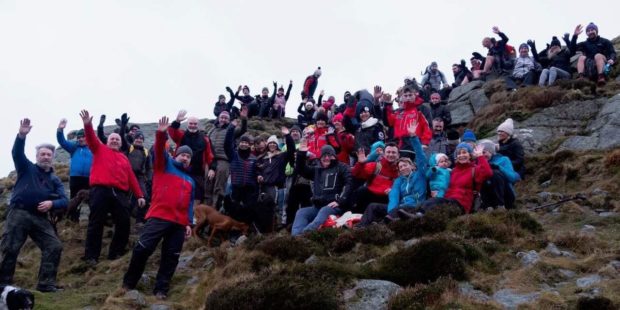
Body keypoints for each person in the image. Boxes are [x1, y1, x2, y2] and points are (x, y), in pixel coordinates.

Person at [122, 116, 194, 300]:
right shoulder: (165, 166)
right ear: (176, 155)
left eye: (188, 156)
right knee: (142, 249)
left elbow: (190, 204)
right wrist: (161, 133)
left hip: (178, 223)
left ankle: (161, 290)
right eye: (182, 154)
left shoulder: (191, 181)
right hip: (159, 217)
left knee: (171, 257)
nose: (185, 158)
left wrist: (189, 224)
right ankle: (128, 283)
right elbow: (159, 151)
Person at [0, 118, 68, 293]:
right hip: (19, 213)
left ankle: (46, 285)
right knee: (10, 247)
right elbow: (17, 153)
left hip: (40, 218)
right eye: (42, 154)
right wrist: (21, 135)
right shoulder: (26, 168)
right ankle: (2, 285)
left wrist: (52, 203)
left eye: (48, 155)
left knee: (54, 246)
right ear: (37, 156)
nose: (45, 157)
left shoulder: (54, 179)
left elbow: (64, 200)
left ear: (52, 157)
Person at [80, 110, 145, 265]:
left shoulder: (124, 158)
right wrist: (88, 124)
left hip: (119, 193)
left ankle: (115, 253)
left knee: (124, 221)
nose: (115, 141)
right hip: (100, 190)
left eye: (117, 139)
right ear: (107, 141)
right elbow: (90, 138)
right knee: (96, 222)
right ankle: (91, 256)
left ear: (121, 142)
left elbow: (131, 178)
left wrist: (140, 195)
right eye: (112, 139)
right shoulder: (99, 149)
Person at [357, 123, 427, 226]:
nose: (403, 168)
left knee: (396, 212)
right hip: (399, 208)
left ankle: (380, 226)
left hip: (415, 207)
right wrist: (391, 213)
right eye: (401, 167)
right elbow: (394, 197)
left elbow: (421, 157)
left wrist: (413, 137)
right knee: (373, 206)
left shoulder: (420, 174)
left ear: (412, 166)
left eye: (406, 165)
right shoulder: (399, 181)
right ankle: (359, 227)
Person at [291, 145, 352, 236]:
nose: (327, 158)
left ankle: (304, 235)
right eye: (324, 155)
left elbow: (349, 184)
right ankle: (295, 237)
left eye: (329, 155)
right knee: (301, 212)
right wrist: (301, 154)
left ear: (334, 156)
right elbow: (301, 169)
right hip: (317, 206)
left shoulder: (342, 167)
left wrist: (340, 200)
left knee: (324, 210)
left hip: (334, 207)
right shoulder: (316, 170)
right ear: (320, 157)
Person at [417, 143, 492, 214]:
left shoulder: (474, 169)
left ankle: (418, 216)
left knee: (434, 203)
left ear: (470, 155)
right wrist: (436, 191)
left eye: (464, 152)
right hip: (448, 200)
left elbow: (488, 173)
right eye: (459, 153)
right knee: (429, 204)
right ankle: (418, 215)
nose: (461, 155)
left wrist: (480, 156)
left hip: (462, 204)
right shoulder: (454, 170)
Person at [168, 111, 214, 205]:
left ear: (198, 125)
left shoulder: (204, 138)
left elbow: (209, 154)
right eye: (191, 123)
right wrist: (177, 121)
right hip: (181, 171)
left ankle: (192, 218)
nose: (193, 125)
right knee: (178, 195)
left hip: (198, 174)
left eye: (195, 124)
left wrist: (212, 168)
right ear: (187, 124)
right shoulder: (181, 135)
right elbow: (172, 131)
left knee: (197, 198)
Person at [205, 108, 248, 209]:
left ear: (229, 120)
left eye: (226, 118)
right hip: (210, 160)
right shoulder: (212, 130)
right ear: (219, 118)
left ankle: (215, 209)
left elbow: (243, 130)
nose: (223, 119)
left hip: (223, 160)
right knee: (207, 184)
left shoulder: (231, 130)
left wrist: (244, 119)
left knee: (219, 186)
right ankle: (206, 209)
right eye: (222, 117)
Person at [256, 128, 295, 231]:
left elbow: (291, 150)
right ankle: (265, 229)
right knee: (265, 209)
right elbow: (256, 169)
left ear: (277, 145)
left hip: (277, 187)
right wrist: (258, 175)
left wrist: (287, 136)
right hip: (264, 187)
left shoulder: (282, 156)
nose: (272, 145)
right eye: (270, 143)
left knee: (277, 209)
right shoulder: (262, 158)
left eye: (274, 143)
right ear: (267, 145)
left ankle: (277, 230)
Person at [56, 118, 92, 222]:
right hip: (75, 178)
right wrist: (60, 130)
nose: (81, 139)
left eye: (83, 137)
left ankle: (92, 221)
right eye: (79, 137)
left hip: (89, 178)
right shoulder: (74, 147)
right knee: (74, 200)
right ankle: (72, 220)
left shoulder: (93, 148)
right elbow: (62, 141)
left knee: (91, 199)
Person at [351, 141, 400, 214]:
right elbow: (356, 174)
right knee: (362, 191)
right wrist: (360, 164)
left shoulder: (401, 169)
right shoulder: (376, 166)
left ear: (398, 155)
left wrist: (393, 191)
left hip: (388, 198)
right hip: (371, 196)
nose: (390, 154)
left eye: (393, 152)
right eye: (388, 152)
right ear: (383, 154)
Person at [384, 86, 432, 160]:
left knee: (411, 167)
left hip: (413, 143)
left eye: (410, 95)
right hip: (398, 145)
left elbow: (427, 127)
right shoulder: (398, 112)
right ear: (402, 97)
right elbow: (389, 122)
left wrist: (425, 143)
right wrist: (387, 105)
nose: (408, 98)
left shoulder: (420, 109)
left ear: (415, 95)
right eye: (405, 95)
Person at [477, 140, 520, 210]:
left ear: (491, 151)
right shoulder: (480, 163)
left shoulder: (503, 159)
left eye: (484, 152)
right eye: (480, 153)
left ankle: (500, 205)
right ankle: (488, 206)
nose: (483, 155)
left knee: (495, 173)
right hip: (488, 197)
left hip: (506, 196)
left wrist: (498, 167)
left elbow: (512, 178)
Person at [126, 131, 152, 225]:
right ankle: (123, 216)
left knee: (144, 196)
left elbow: (149, 167)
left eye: (141, 138)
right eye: (137, 138)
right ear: (134, 138)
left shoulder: (146, 151)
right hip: (127, 175)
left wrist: (149, 178)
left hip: (139, 176)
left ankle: (139, 219)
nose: (139, 140)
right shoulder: (129, 147)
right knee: (124, 196)